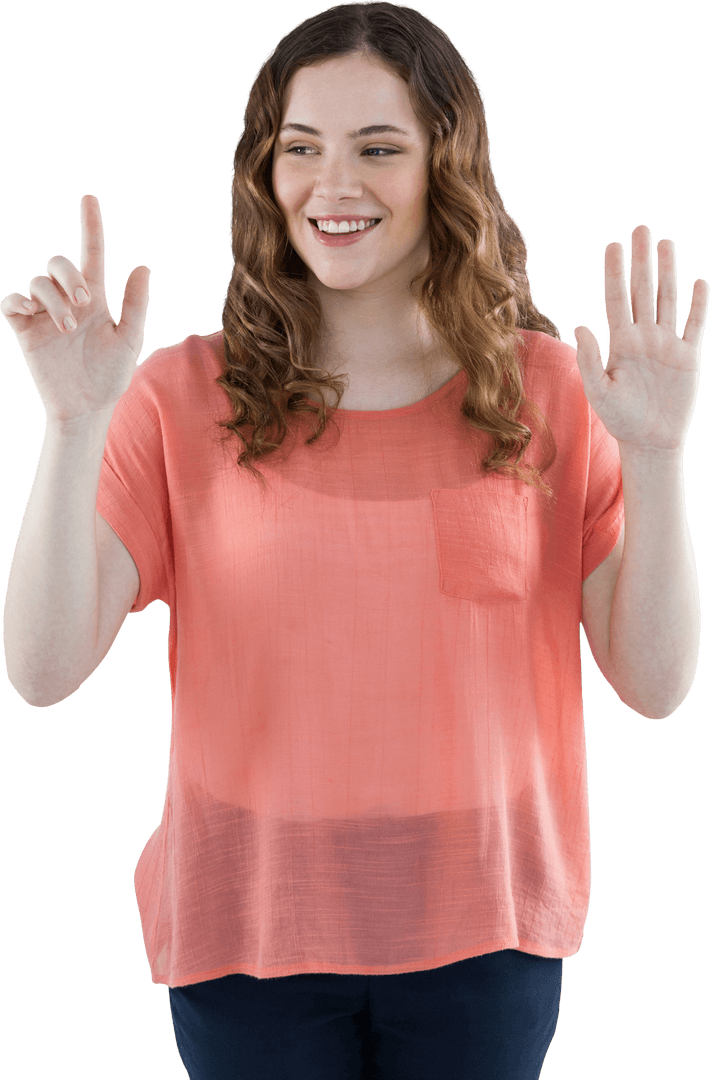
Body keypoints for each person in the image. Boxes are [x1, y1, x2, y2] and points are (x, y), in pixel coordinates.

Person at [2, 2, 705, 1078]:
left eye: (378, 148)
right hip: (247, 928)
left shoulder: (556, 395)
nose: (333, 186)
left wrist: (655, 462)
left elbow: (654, 686)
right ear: (263, 171)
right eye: (300, 149)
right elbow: (43, 671)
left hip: (487, 928)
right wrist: (70, 424)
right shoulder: (180, 397)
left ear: (445, 165)